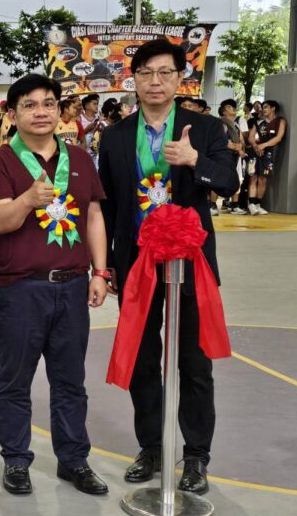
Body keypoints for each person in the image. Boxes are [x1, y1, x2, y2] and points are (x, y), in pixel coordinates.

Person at [99, 39, 238, 496]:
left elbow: (229, 181)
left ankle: (196, 456)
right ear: (133, 80)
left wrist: (195, 160)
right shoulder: (116, 136)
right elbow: (110, 203)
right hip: (138, 262)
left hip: (190, 261)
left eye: (164, 73)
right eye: (145, 73)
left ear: (181, 79)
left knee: (194, 363)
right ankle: (152, 447)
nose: (154, 81)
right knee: (143, 360)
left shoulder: (206, 129)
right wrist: (109, 264)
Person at [0, 73, 110, 497]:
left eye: (49, 103)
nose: (41, 111)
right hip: (19, 290)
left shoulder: (80, 157)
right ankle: (16, 462)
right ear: (13, 113)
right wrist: (28, 200)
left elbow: (92, 216)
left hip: (72, 286)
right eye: (30, 104)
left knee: (70, 381)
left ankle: (74, 460)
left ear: (59, 110)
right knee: (15, 381)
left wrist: (101, 272)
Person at [246, 100, 286, 215]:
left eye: (266, 107)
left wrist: (263, 146)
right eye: (263, 107)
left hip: (268, 153)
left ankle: (258, 204)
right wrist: (255, 146)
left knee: (263, 179)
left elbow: (278, 138)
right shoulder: (258, 122)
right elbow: (251, 137)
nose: (263, 109)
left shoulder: (280, 121)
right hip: (254, 152)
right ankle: (251, 204)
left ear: (273, 108)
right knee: (253, 177)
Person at [214, 100, 246, 215]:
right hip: (223, 156)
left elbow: (241, 140)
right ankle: (212, 205)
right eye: (228, 107)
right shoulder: (221, 123)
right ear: (223, 112)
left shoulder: (236, 124)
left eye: (233, 106)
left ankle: (235, 205)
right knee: (218, 178)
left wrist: (240, 147)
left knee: (236, 179)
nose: (232, 108)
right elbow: (220, 140)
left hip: (234, 157)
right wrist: (235, 147)